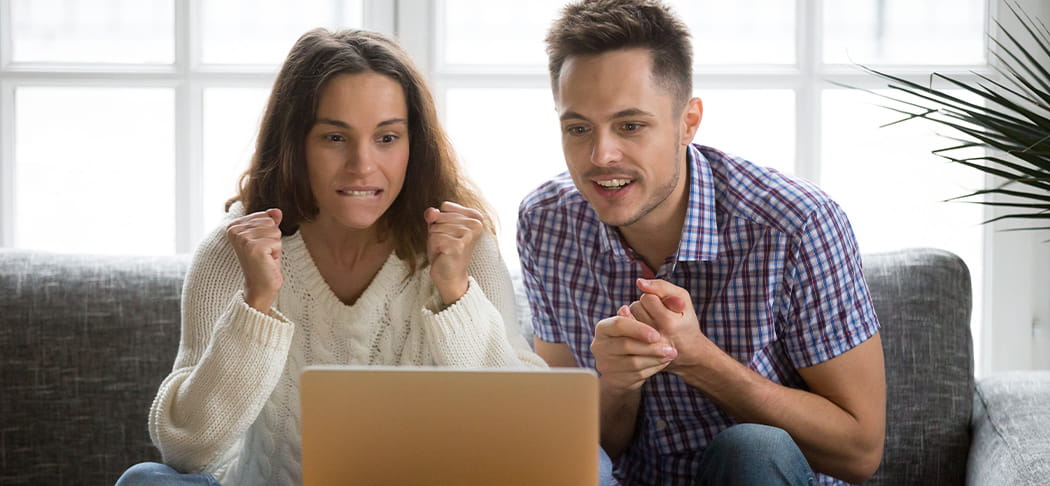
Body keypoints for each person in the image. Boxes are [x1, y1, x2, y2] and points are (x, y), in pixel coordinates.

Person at [116, 28, 545, 486]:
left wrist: (456, 296)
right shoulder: (232, 252)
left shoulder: (464, 248)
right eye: (335, 138)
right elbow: (186, 450)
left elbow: (529, 431)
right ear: (296, 143)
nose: (362, 165)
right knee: (147, 479)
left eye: (387, 138)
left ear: (412, 145)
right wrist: (256, 304)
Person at [517, 1, 886, 485]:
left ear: (688, 121)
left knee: (752, 448)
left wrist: (698, 359)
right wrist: (616, 384)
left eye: (631, 126)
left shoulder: (797, 225)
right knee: (575, 458)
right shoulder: (547, 223)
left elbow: (860, 453)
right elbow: (578, 445)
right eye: (578, 128)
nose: (601, 154)